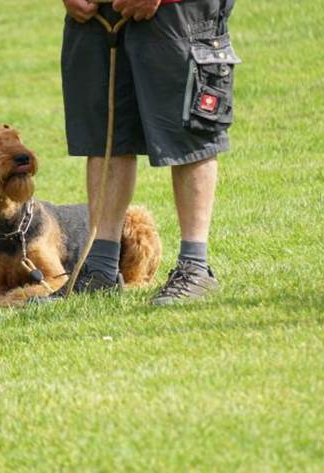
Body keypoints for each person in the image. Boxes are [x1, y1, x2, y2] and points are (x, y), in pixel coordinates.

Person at [59, 0, 239, 304]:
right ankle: (100, 270)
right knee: (105, 132)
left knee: (189, 129)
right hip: (96, 13)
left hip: (178, 10)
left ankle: (195, 268)